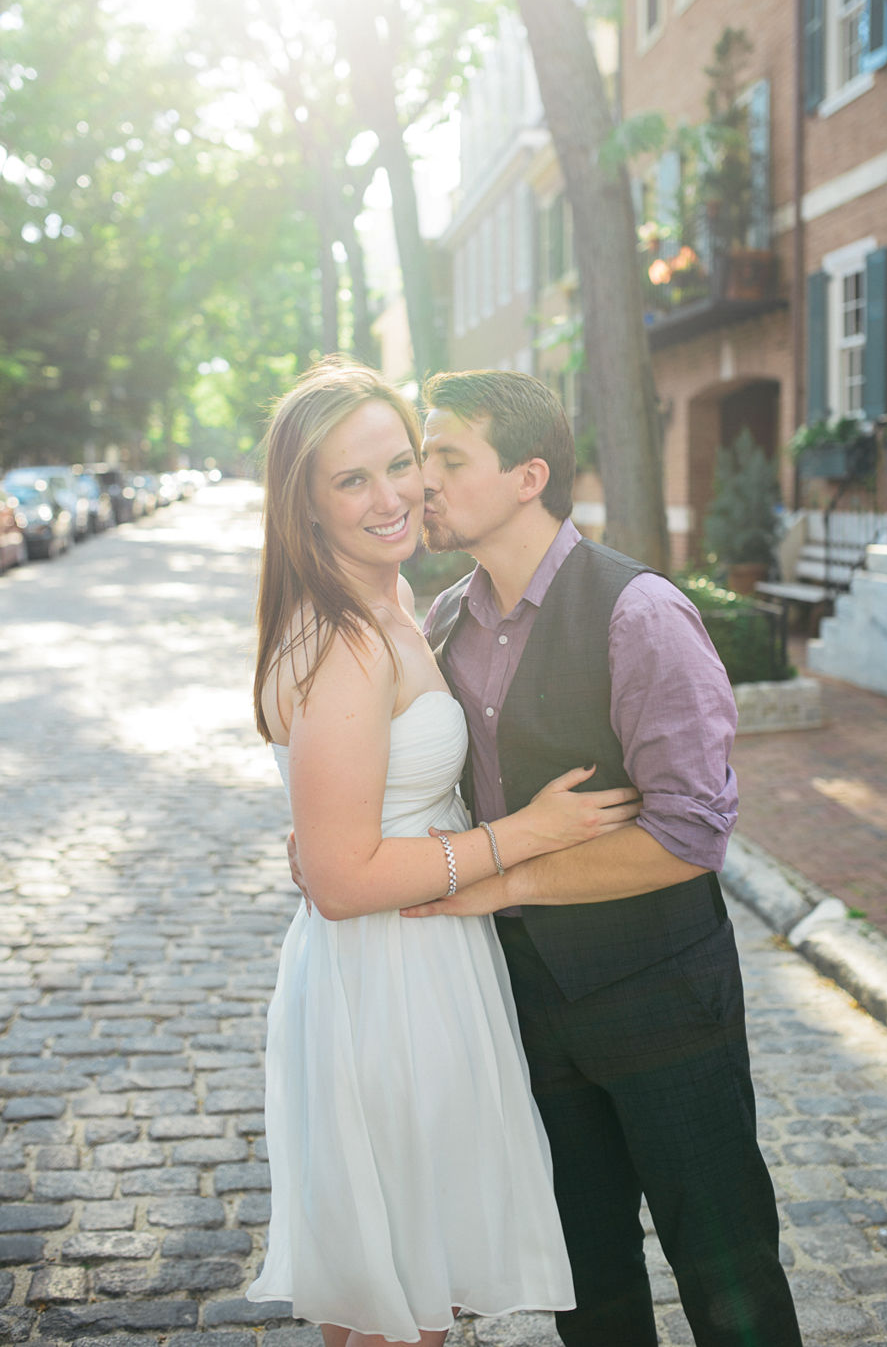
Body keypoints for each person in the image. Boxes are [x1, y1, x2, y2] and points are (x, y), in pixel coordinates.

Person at [395, 369, 801, 1347]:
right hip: (523, 1000)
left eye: (447, 458)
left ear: (527, 474)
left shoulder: (639, 614)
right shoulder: (444, 621)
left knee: (726, 1262)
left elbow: (690, 833)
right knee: (583, 1272)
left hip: (659, 989)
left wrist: (512, 875)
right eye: (421, 458)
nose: (422, 483)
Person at [251, 357, 640, 1346]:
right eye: (352, 479)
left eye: (402, 461)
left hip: (430, 967)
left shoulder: (403, 609)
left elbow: (353, 818)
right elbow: (341, 880)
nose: (393, 495)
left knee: (422, 1288)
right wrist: (524, 837)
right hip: (383, 984)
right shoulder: (345, 638)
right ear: (306, 509)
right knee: (396, 1307)